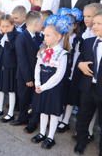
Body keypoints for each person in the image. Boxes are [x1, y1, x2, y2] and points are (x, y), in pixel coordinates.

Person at [31, 15, 72, 149]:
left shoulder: (63, 54)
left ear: (58, 37)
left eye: (48, 35)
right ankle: (42, 133)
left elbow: (58, 76)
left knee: (53, 112)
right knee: (43, 110)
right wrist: (37, 83)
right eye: (44, 35)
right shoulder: (43, 51)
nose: (45, 38)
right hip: (41, 85)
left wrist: (43, 87)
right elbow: (37, 67)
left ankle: (50, 136)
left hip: (53, 87)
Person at [74, 11, 102, 155]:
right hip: (87, 87)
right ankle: (81, 141)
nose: (94, 26)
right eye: (94, 23)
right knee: (83, 115)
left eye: (99, 24)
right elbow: (79, 58)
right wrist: (80, 65)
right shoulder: (89, 42)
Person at [10, 11, 43, 130]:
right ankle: (22, 118)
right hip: (24, 76)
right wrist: (28, 78)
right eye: (41, 23)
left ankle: (33, 122)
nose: (42, 25)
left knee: (35, 99)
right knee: (23, 98)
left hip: (37, 75)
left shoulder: (40, 36)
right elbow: (22, 59)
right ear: (35, 23)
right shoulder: (21, 37)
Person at [0, 14, 20, 122]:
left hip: (10, 65)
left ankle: (10, 113)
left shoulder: (16, 35)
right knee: (0, 88)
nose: (4, 28)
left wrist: (11, 33)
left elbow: (13, 47)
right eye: (2, 26)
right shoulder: (1, 33)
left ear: (12, 25)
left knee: (11, 89)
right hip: (0, 64)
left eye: (7, 26)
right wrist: (0, 34)